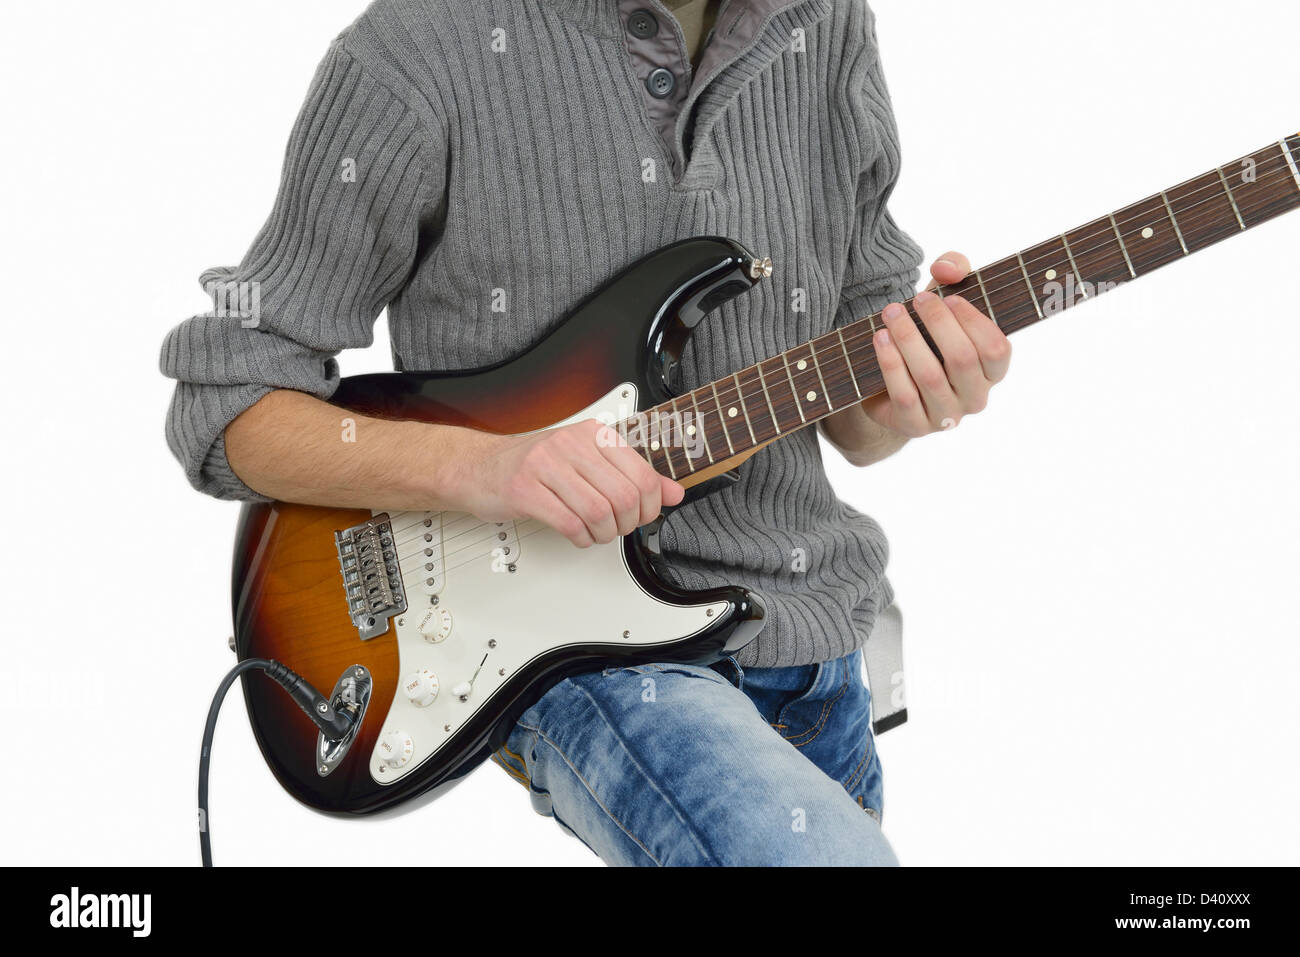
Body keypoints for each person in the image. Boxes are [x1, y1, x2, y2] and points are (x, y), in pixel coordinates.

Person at [161, 0, 1011, 865]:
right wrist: (490, 467)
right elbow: (228, 405)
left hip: (819, 647)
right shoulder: (416, 47)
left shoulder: (826, 21)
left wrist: (913, 392)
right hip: (577, 646)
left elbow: (858, 427)